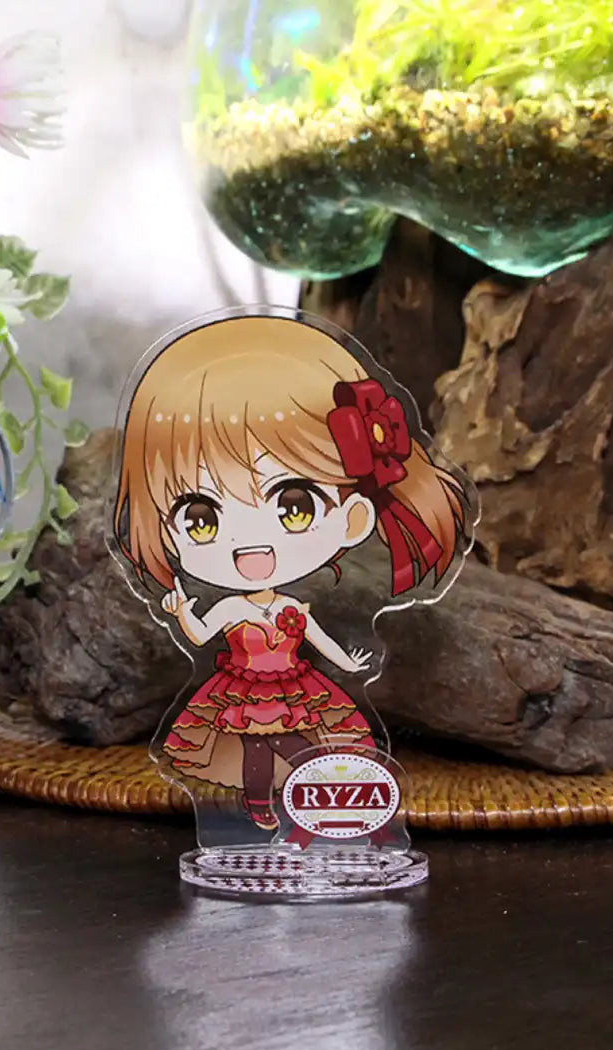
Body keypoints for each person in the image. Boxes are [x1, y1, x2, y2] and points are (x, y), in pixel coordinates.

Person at [113, 314, 468, 829]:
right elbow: (201, 634)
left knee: (291, 744)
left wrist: (350, 662)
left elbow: (320, 640)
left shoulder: (294, 608)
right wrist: (182, 610)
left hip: (296, 689)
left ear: (353, 519)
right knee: (261, 749)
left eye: (293, 507)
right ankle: (263, 805)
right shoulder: (231, 607)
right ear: (166, 531)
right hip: (242, 692)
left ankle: (303, 795)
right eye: (201, 518)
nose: (249, 545)